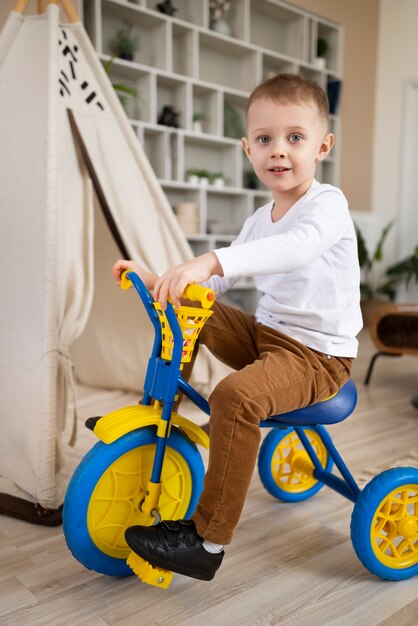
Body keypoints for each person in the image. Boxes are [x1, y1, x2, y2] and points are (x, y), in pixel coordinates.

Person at [112, 73, 362, 582]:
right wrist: (169, 281)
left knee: (234, 398)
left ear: (322, 147)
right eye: (265, 139)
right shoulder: (259, 216)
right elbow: (218, 285)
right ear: (248, 148)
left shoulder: (326, 205)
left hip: (317, 357)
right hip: (269, 339)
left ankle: (206, 541)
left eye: (296, 138)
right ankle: (162, 415)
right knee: (186, 310)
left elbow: (295, 248)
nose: (279, 151)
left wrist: (212, 261)